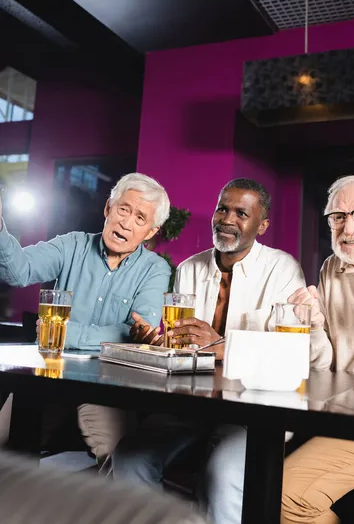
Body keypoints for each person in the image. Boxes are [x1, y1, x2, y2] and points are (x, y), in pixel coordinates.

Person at [113, 177, 305, 523]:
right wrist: (160, 342)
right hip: (190, 405)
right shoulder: (188, 268)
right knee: (129, 458)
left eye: (241, 213)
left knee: (225, 474)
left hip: (254, 412)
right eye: (222, 208)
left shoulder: (283, 269)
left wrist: (221, 346)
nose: (227, 219)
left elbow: (291, 353)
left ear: (262, 226)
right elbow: (181, 345)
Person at [0, 172, 171, 463]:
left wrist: (65, 334)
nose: (126, 223)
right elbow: (19, 271)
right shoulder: (72, 245)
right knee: (5, 441)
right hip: (48, 376)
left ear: (151, 232)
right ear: (108, 209)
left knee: (119, 463)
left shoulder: (156, 270)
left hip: (107, 388)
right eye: (123, 209)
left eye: (140, 218)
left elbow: (133, 332)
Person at [282, 174, 354, 523]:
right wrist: (314, 328)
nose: (349, 228)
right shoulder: (331, 269)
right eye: (338, 217)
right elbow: (326, 363)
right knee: (284, 496)